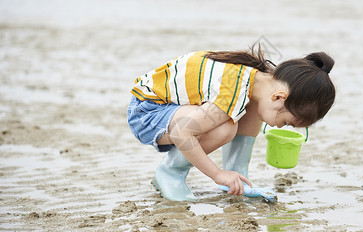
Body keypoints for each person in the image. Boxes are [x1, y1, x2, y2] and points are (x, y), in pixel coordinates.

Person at [127, 44, 335, 201]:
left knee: (252, 109)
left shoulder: (255, 81)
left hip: (168, 109)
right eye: (286, 122)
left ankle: (238, 174)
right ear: (279, 97)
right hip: (146, 113)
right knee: (225, 127)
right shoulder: (233, 91)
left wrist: (235, 177)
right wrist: (217, 175)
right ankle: (171, 172)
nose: (278, 126)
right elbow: (182, 132)